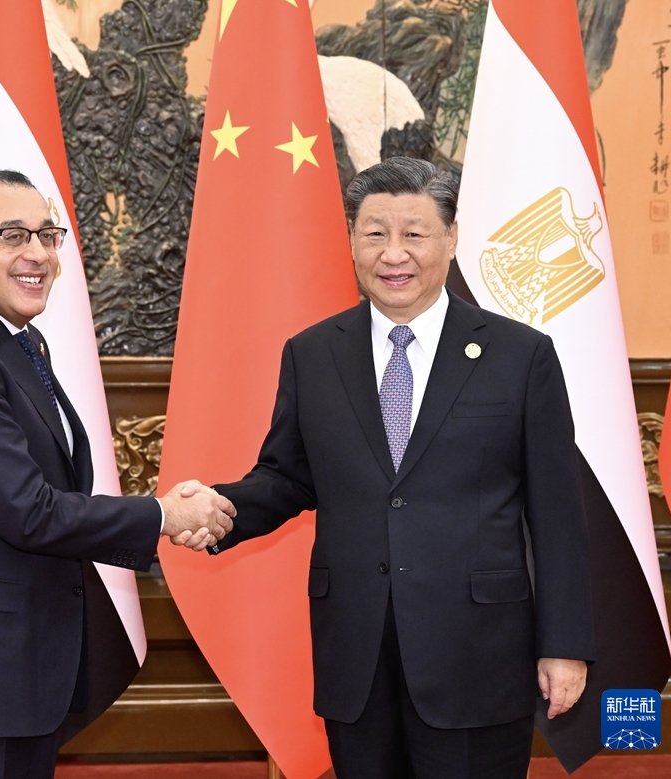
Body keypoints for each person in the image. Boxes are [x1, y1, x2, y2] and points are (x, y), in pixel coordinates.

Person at [206, 157, 594, 778]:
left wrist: (565, 645)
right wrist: (216, 510)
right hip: (357, 657)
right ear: (351, 241)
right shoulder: (313, 353)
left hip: (477, 656)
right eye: (374, 233)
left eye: (414, 233)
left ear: (451, 237)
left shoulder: (521, 355)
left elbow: (558, 514)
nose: (393, 254)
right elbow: (287, 477)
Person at [0, 170, 234, 779]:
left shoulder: (19, 342)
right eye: (13, 235)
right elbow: (29, 511)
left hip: (16, 673)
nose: (37, 253)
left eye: (47, 235)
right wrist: (164, 515)